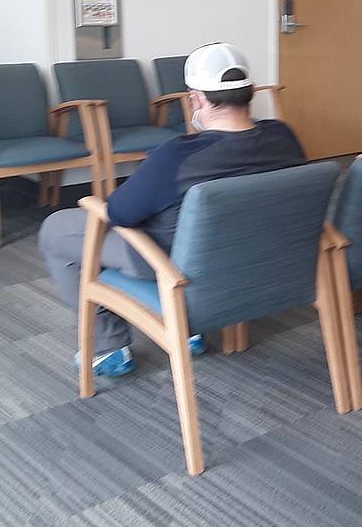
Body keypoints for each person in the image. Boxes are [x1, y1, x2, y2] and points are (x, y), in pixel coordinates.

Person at [39, 42, 307, 377]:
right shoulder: (283, 136)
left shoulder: (177, 155)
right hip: (258, 257)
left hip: (175, 266)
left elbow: (121, 214)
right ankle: (189, 328)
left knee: (57, 230)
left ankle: (108, 346)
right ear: (251, 92)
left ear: (195, 99)